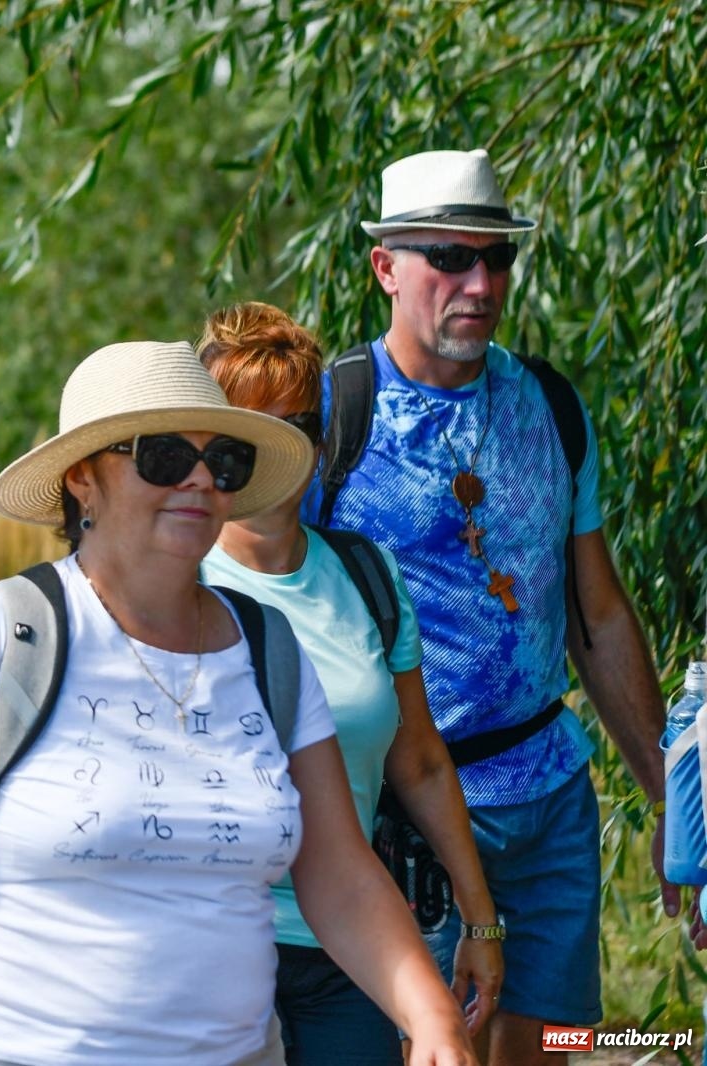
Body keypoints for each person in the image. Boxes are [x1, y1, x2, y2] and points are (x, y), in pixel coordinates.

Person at [0, 339, 478, 1066]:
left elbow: (340, 876)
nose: (202, 480)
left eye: (226, 461)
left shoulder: (269, 649)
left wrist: (430, 1015)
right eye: (165, 457)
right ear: (84, 478)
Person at [308, 147, 699, 1063]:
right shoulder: (330, 419)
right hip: (404, 815)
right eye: (448, 258)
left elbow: (596, 615)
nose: (479, 283)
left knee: (550, 1048)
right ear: (385, 268)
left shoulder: (551, 406)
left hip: (551, 794)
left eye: (497, 257)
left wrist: (669, 806)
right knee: (440, 1049)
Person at [197, 302, 502, 1064]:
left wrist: (480, 919)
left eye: (299, 424)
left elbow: (420, 761)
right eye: (251, 430)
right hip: (213, 949)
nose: (281, 450)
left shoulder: (365, 575)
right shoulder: (176, 583)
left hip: (348, 951)